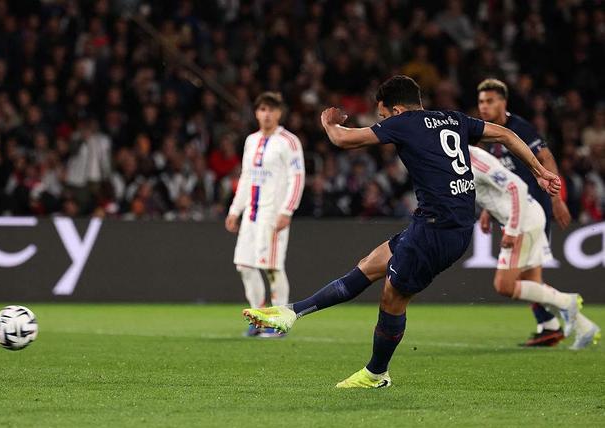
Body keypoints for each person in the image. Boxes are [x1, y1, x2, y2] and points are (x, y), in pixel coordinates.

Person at [243, 75, 560, 388]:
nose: (384, 122)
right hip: (440, 224)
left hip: (437, 231)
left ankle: (376, 373)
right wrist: (540, 170)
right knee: (369, 265)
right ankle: (291, 312)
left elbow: (342, 139)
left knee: (392, 298)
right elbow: (505, 134)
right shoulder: (453, 118)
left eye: (383, 115)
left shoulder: (405, 123)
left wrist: (328, 122)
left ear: (395, 110)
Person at [469, 146, 599, 349]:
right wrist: (488, 211)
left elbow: (517, 188)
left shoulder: (473, 158)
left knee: (504, 285)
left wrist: (512, 230)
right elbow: (494, 188)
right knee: (532, 285)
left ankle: (567, 301)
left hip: (523, 221)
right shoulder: (464, 157)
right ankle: (584, 327)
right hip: (528, 216)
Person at [477, 79, 572, 346]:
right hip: (513, 213)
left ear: (503, 102)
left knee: (518, 276)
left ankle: (564, 311)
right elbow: (494, 178)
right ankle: (549, 325)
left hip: (533, 209)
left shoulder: (519, 128)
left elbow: (546, 158)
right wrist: (487, 210)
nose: (484, 107)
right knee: (527, 275)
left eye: (490, 101)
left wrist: (557, 199)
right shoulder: (488, 134)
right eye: (481, 101)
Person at [225, 92, 305, 338]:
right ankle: (259, 318)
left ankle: (279, 321)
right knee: (244, 266)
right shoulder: (251, 141)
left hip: (273, 214)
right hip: (251, 214)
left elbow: (297, 178)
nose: (267, 114)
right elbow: (246, 177)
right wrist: (235, 210)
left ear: (279, 113)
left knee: (272, 267)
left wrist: (287, 210)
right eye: (262, 109)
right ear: (256, 113)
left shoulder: (288, 141)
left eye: (271, 109)